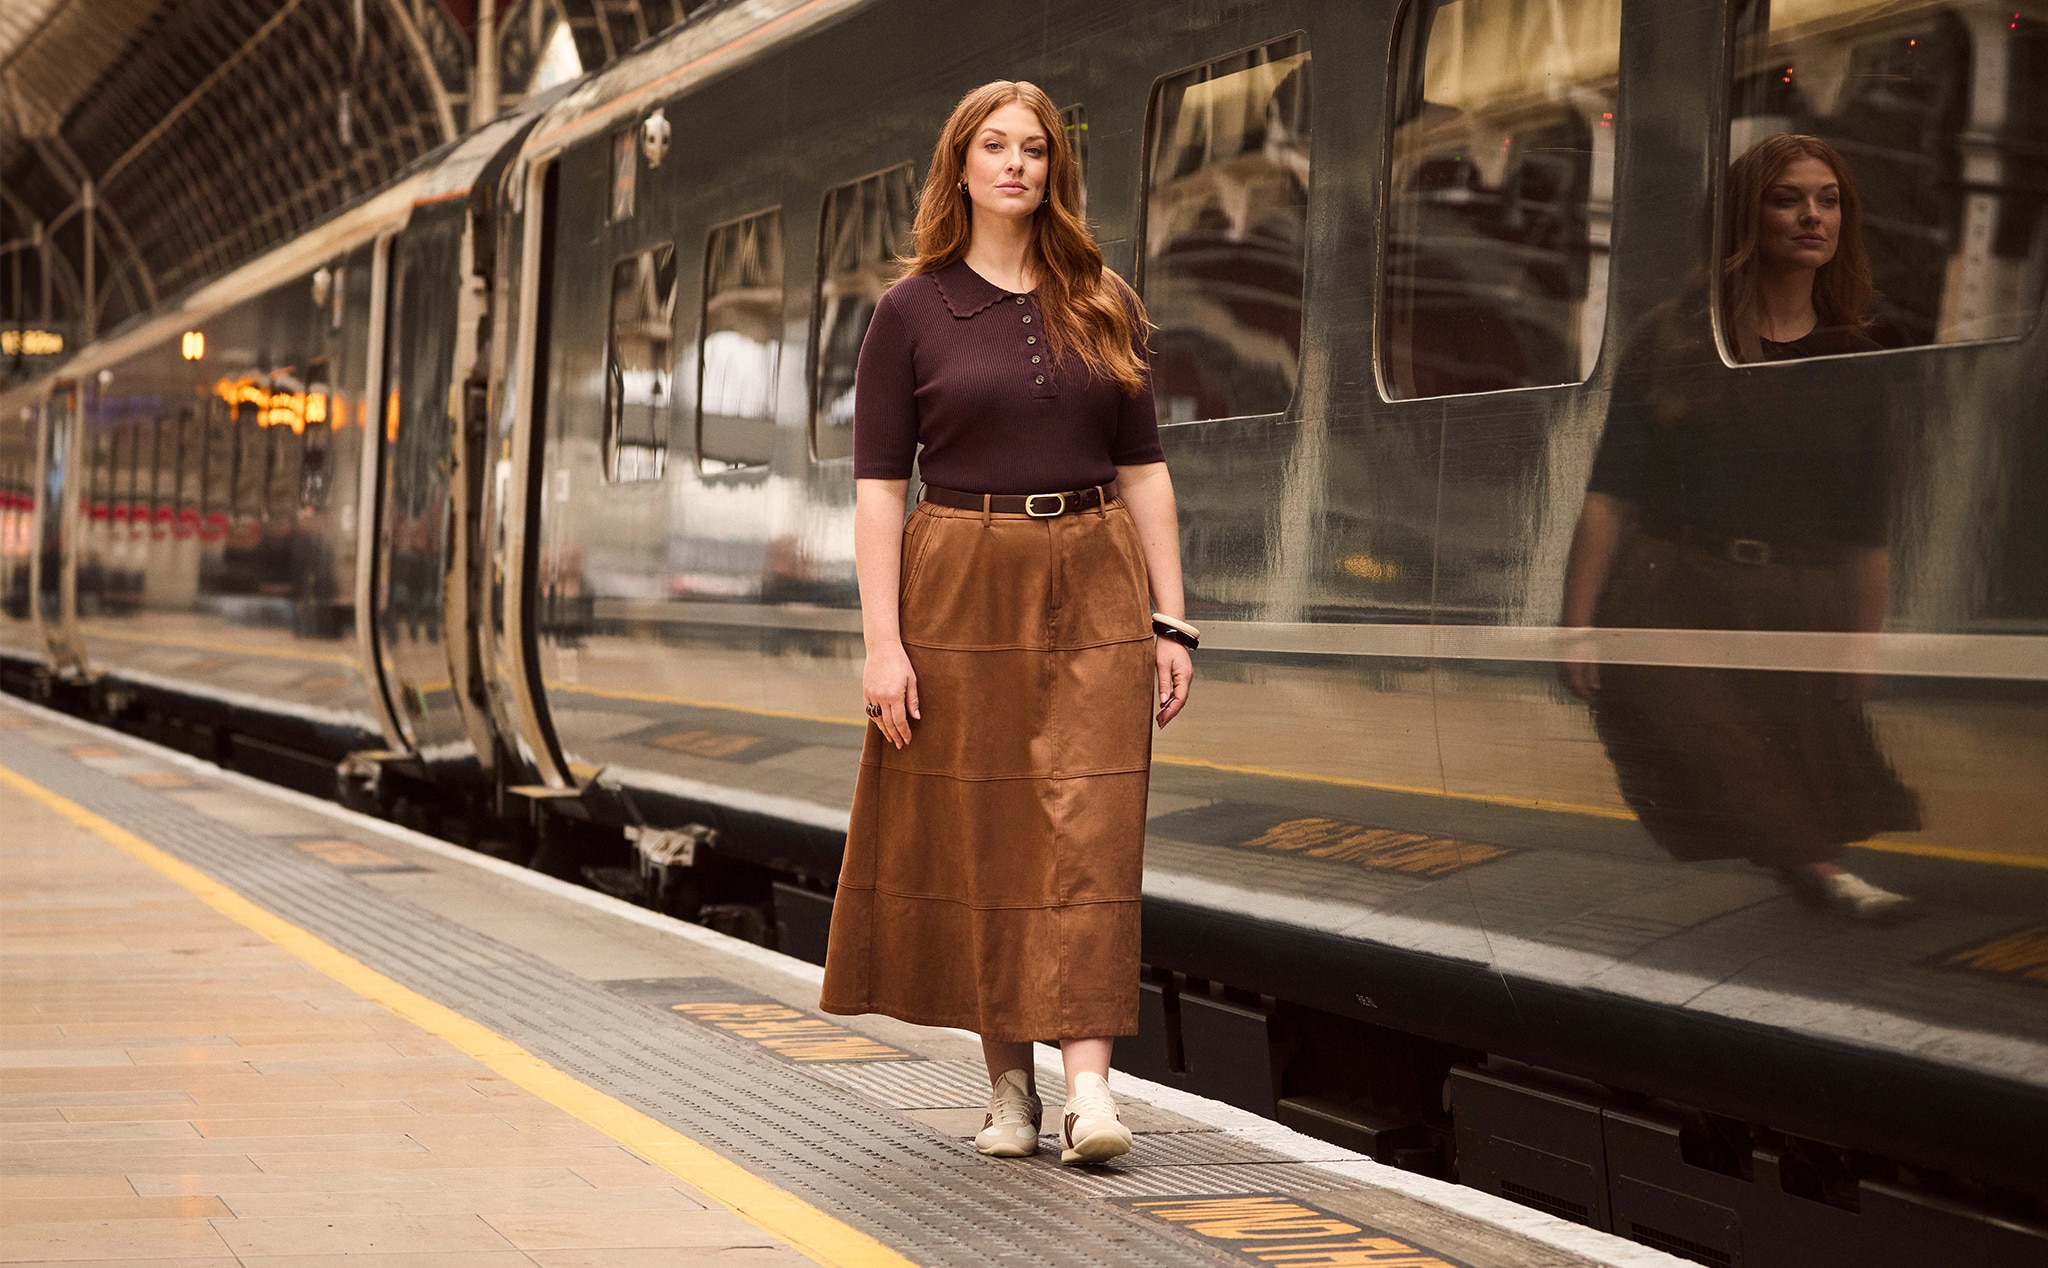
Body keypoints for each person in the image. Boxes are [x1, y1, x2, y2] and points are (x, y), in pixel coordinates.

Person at [818, 81, 1195, 1164]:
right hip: (958, 572)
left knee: (1088, 823)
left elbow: (1145, 471)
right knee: (986, 830)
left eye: (1034, 148)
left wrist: (1173, 621)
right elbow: (880, 489)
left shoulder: (1101, 300)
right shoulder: (908, 312)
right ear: (961, 165)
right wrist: (882, 643)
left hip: (1092, 570)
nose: (1016, 164)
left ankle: (1088, 1092)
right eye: (995, 146)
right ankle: (1008, 1088)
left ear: (1053, 171)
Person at [1560, 133, 1918, 921]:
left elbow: (1867, 525)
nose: (1811, 216)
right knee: (1712, 738)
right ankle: (1820, 870)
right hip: (1674, 585)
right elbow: (1611, 493)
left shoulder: (1857, 359)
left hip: (1801, 593)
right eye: (1788, 198)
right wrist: (1578, 623)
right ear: (1746, 218)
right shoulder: (1674, 338)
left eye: (1828, 200)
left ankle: (1813, 863)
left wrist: (1861, 640)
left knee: (1798, 757)